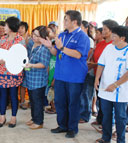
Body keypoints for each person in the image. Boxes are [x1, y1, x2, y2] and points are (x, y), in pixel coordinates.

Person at [44, 10, 90, 138]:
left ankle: (72, 128)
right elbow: (56, 53)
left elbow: (78, 54)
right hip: (60, 75)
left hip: (74, 77)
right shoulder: (62, 35)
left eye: (66, 19)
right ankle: (62, 125)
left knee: (73, 103)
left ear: (74, 22)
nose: (64, 22)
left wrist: (62, 47)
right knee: (60, 102)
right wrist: (49, 46)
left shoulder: (83, 37)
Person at [95, 26, 128, 143]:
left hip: (121, 92)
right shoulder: (109, 47)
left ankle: (121, 140)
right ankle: (106, 138)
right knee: (106, 116)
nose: (111, 38)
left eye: (114, 36)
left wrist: (115, 85)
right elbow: (101, 64)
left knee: (121, 118)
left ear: (122, 38)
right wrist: (97, 79)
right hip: (105, 89)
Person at [0, 16, 25, 128]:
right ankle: (2, 117)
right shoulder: (2, 39)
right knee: (2, 95)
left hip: (14, 72)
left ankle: (13, 118)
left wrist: (7, 59)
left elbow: (20, 56)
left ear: (11, 27)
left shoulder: (20, 40)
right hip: (2, 71)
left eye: (6, 25)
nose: (3, 28)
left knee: (13, 95)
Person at [91, 20, 119, 125]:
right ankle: (100, 119)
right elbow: (98, 61)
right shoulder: (101, 44)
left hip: (111, 79)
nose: (102, 31)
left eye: (105, 29)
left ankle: (108, 124)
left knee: (110, 103)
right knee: (100, 99)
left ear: (112, 31)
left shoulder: (116, 45)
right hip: (98, 75)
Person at [25, 26, 50, 129]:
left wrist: (32, 65)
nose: (34, 37)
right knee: (32, 100)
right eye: (33, 34)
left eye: (37, 36)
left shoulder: (44, 48)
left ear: (43, 37)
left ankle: (39, 122)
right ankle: (34, 118)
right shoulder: (31, 44)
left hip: (38, 79)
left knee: (37, 101)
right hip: (30, 78)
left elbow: (44, 64)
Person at [79, 20, 95, 123]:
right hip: (79, 71)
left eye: (80, 27)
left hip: (88, 71)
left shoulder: (89, 40)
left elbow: (87, 56)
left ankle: (85, 116)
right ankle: (81, 113)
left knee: (86, 93)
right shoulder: (79, 38)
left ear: (86, 28)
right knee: (81, 93)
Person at [18, 21, 29, 110]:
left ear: (25, 29)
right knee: (20, 83)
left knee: (27, 82)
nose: (20, 30)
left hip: (28, 64)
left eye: (22, 28)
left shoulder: (30, 39)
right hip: (18, 64)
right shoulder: (16, 39)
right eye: (19, 28)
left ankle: (27, 100)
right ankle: (21, 100)